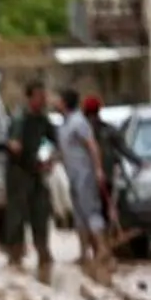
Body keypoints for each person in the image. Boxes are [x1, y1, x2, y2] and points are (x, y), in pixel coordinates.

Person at [4, 80, 57, 268]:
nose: (43, 100)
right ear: (30, 98)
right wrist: (15, 145)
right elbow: (12, 144)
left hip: (37, 172)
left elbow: (52, 141)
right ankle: (15, 253)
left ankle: (42, 250)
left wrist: (48, 158)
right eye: (39, 96)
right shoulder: (20, 118)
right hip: (19, 173)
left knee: (41, 212)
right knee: (17, 215)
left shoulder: (43, 120)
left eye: (44, 96)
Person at [56, 88, 110, 264]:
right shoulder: (64, 124)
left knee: (91, 211)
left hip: (84, 174)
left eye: (58, 100)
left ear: (64, 102)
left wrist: (98, 169)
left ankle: (102, 249)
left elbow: (92, 145)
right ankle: (84, 252)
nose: (55, 102)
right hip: (71, 175)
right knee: (79, 215)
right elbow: (64, 150)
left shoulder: (79, 122)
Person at [82, 95, 145, 229]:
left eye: (94, 114)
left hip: (105, 177)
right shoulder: (84, 132)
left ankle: (107, 234)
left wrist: (139, 162)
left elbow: (123, 148)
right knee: (93, 211)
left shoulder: (108, 131)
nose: (92, 118)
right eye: (90, 114)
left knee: (106, 208)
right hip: (88, 178)